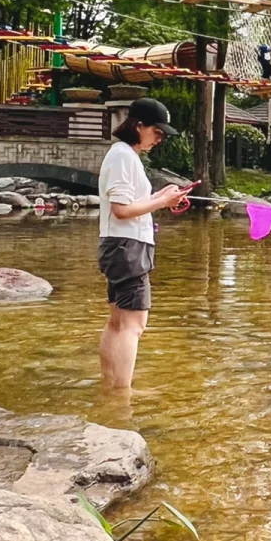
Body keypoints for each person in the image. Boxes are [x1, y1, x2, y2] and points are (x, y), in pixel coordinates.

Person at [97, 97, 192, 388]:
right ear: (139, 126)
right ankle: (122, 393)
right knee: (134, 325)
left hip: (121, 246)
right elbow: (121, 210)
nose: (159, 139)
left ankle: (109, 386)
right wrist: (162, 202)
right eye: (156, 132)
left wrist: (159, 197)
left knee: (118, 322)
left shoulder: (124, 155)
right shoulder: (123, 157)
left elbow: (129, 203)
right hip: (129, 248)